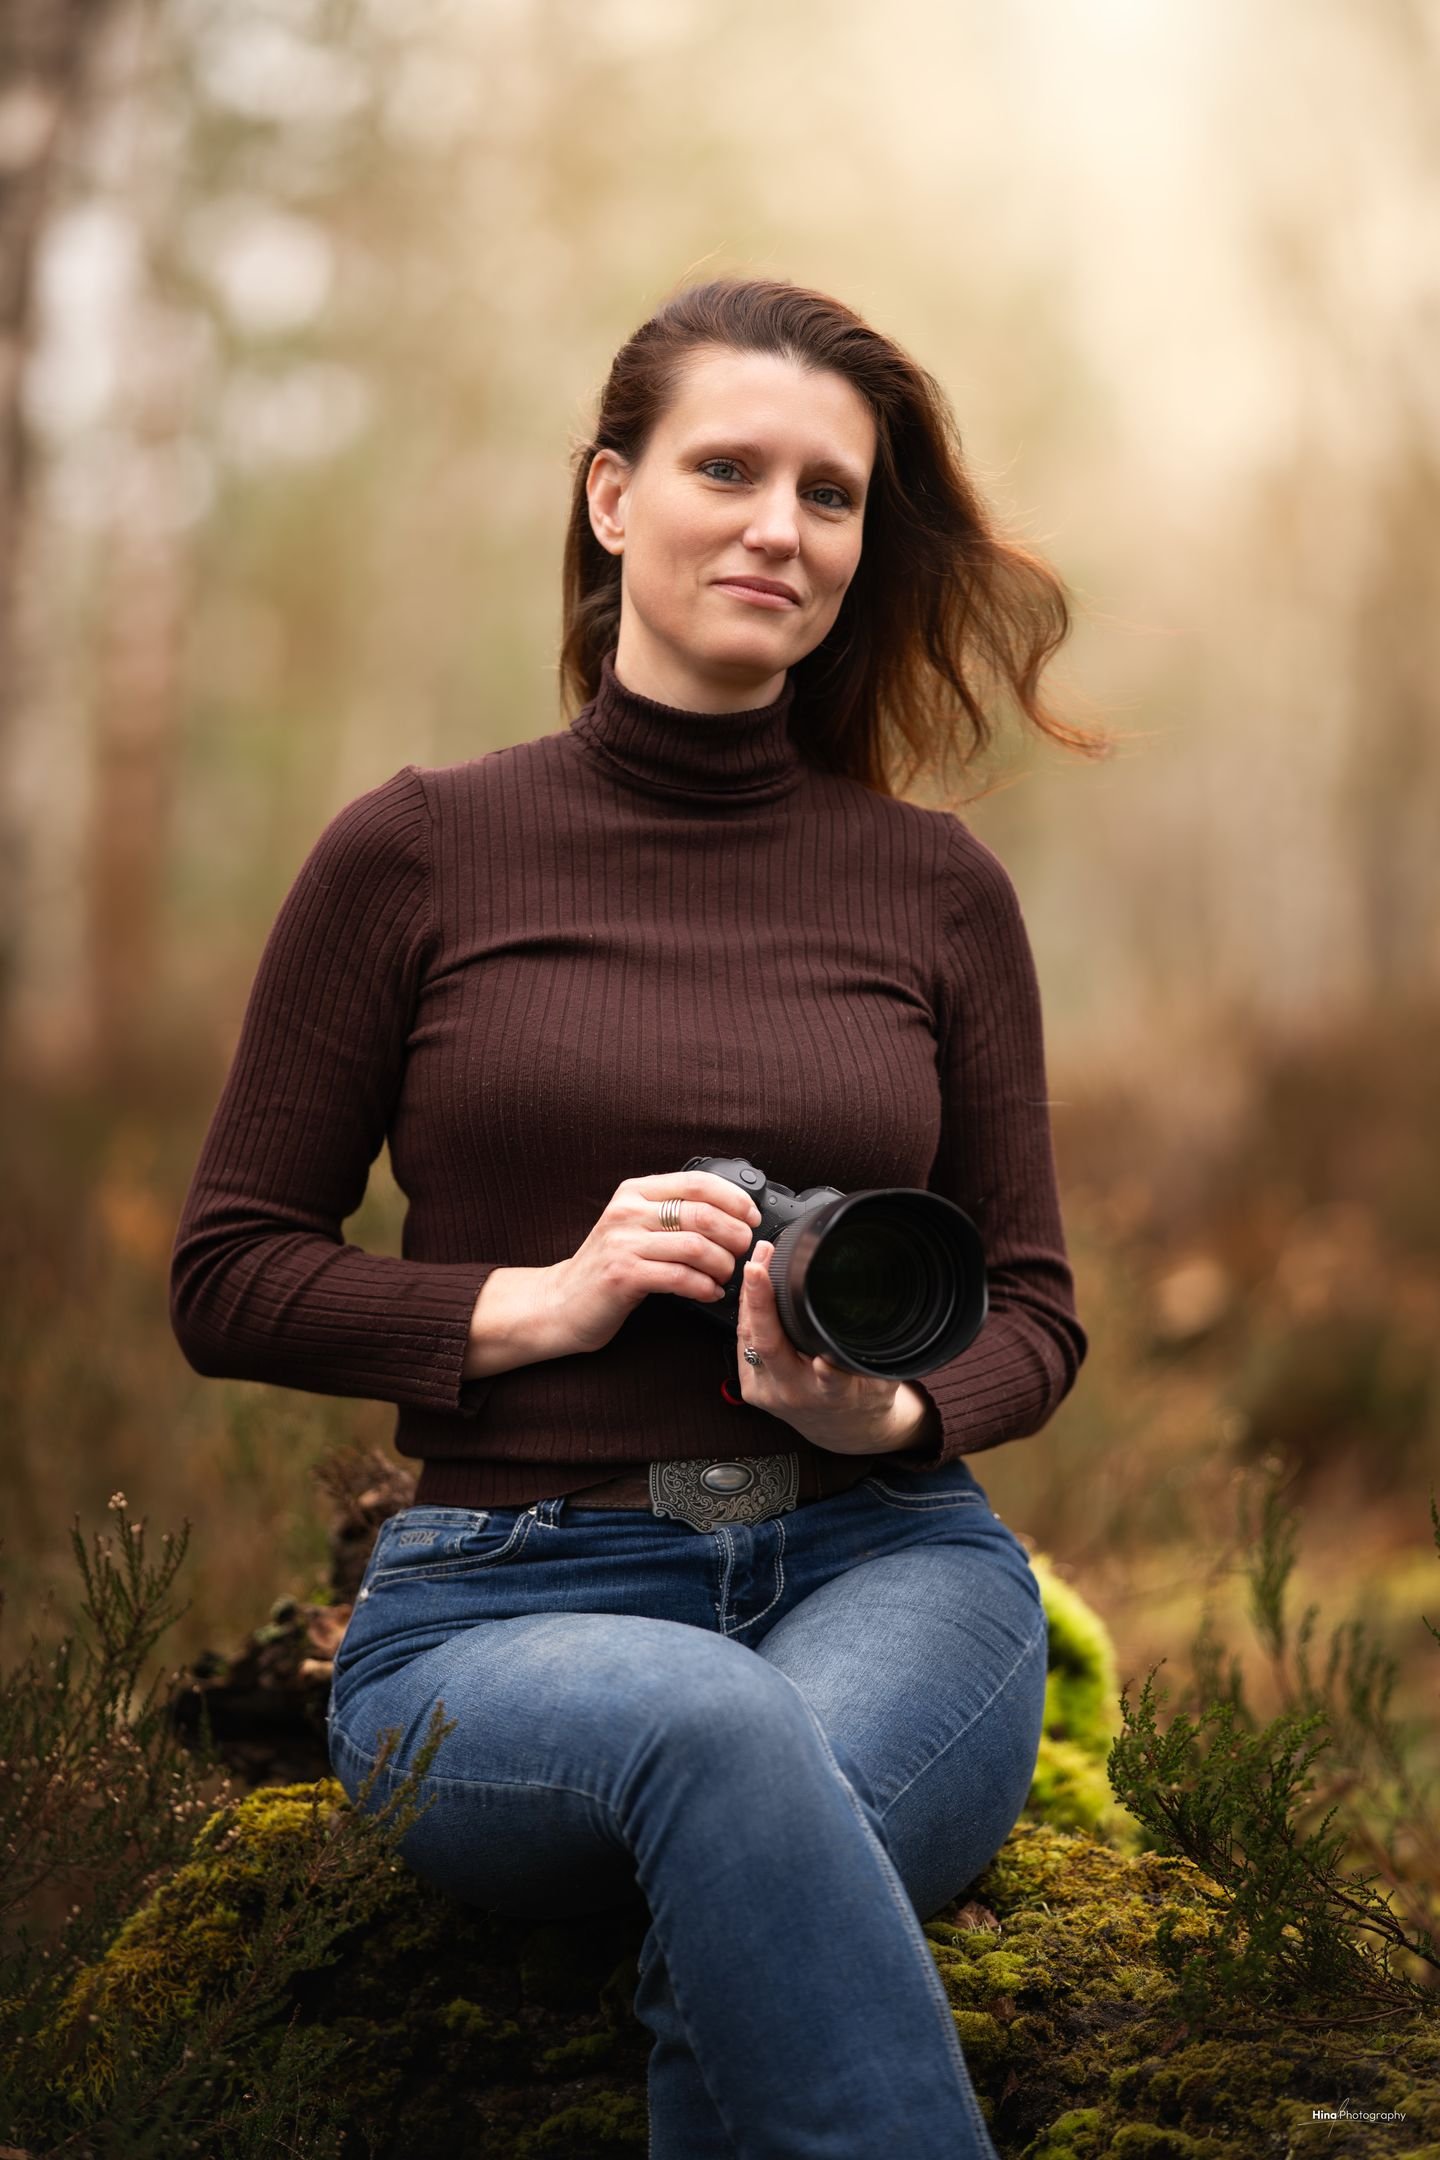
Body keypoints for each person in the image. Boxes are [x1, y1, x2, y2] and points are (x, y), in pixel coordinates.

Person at [170, 274, 1106, 2159]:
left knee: (758, 1851)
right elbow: (226, 1271)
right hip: (507, 1601)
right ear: (612, 498)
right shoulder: (418, 850)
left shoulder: (935, 893)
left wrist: (895, 1416)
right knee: (721, 1741)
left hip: (887, 1566)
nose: (780, 524)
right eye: (727, 468)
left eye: (830, 495)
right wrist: (536, 1302)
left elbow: (1037, 1307)